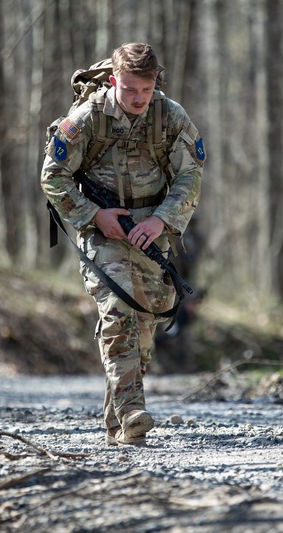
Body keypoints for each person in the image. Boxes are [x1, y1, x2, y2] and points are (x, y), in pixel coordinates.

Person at [40, 42, 205, 446]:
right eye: (130, 89)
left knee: (144, 330)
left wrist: (161, 219)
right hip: (101, 230)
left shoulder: (170, 116)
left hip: (151, 230)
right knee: (118, 311)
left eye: (146, 90)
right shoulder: (89, 117)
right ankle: (132, 410)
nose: (138, 98)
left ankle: (120, 426)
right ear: (114, 80)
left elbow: (191, 174)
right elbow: (53, 175)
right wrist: (94, 215)